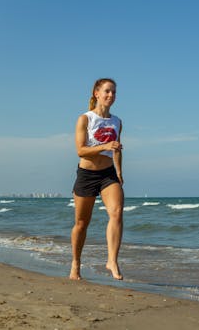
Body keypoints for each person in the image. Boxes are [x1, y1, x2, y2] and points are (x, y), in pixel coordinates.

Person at [70, 78, 124, 280]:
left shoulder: (117, 121)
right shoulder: (85, 119)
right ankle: (76, 263)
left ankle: (112, 260)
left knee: (117, 213)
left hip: (108, 174)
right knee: (82, 223)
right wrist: (105, 146)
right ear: (97, 93)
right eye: (107, 91)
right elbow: (80, 150)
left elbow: (117, 148)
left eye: (114, 92)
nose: (111, 95)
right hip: (87, 175)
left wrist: (119, 171)